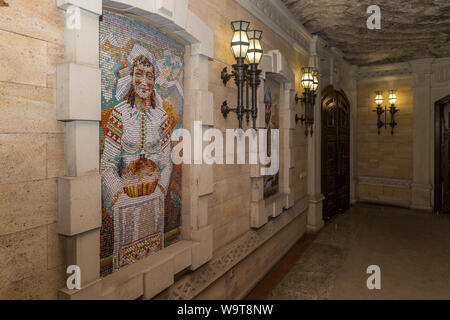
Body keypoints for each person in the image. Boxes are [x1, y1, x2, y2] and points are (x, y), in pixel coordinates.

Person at [101, 44, 173, 269]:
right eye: (139, 74)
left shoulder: (161, 117)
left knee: (154, 263)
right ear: (130, 77)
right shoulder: (119, 114)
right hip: (125, 199)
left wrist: (160, 191)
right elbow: (107, 165)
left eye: (150, 76)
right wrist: (119, 198)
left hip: (154, 198)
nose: (144, 82)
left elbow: (166, 162)